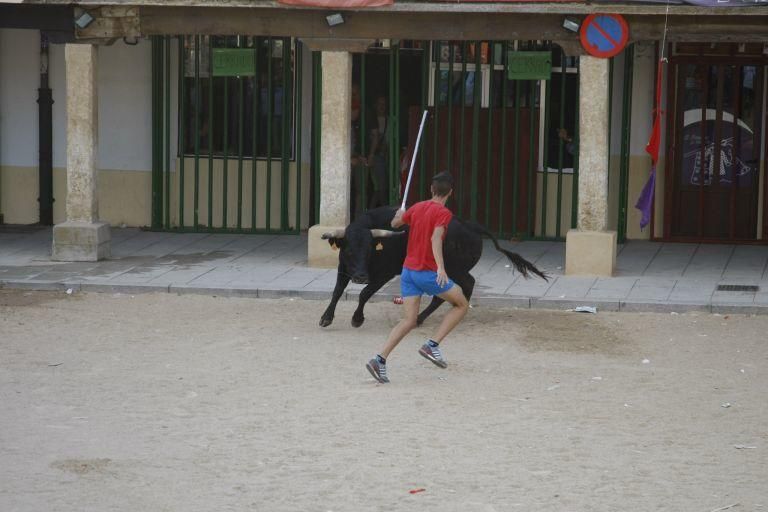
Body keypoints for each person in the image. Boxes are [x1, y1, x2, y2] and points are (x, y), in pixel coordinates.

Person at [366, 171, 469, 384]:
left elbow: (394, 224)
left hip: (408, 273)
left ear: (431, 189)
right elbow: (436, 237)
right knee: (461, 304)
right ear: (450, 192)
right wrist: (441, 268)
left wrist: (400, 212)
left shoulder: (417, 207)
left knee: (409, 320)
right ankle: (432, 345)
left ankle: (379, 360)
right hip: (426, 272)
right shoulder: (443, 213)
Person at [367, 95, 390, 209]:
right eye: (379, 104)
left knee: (379, 187)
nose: (382, 106)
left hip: (381, 156)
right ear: (375, 105)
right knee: (379, 186)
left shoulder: (388, 120)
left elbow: (389, 140)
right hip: (370, 156)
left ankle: (370, 212)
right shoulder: (370, 119)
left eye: (384, 104)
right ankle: (385, 210)